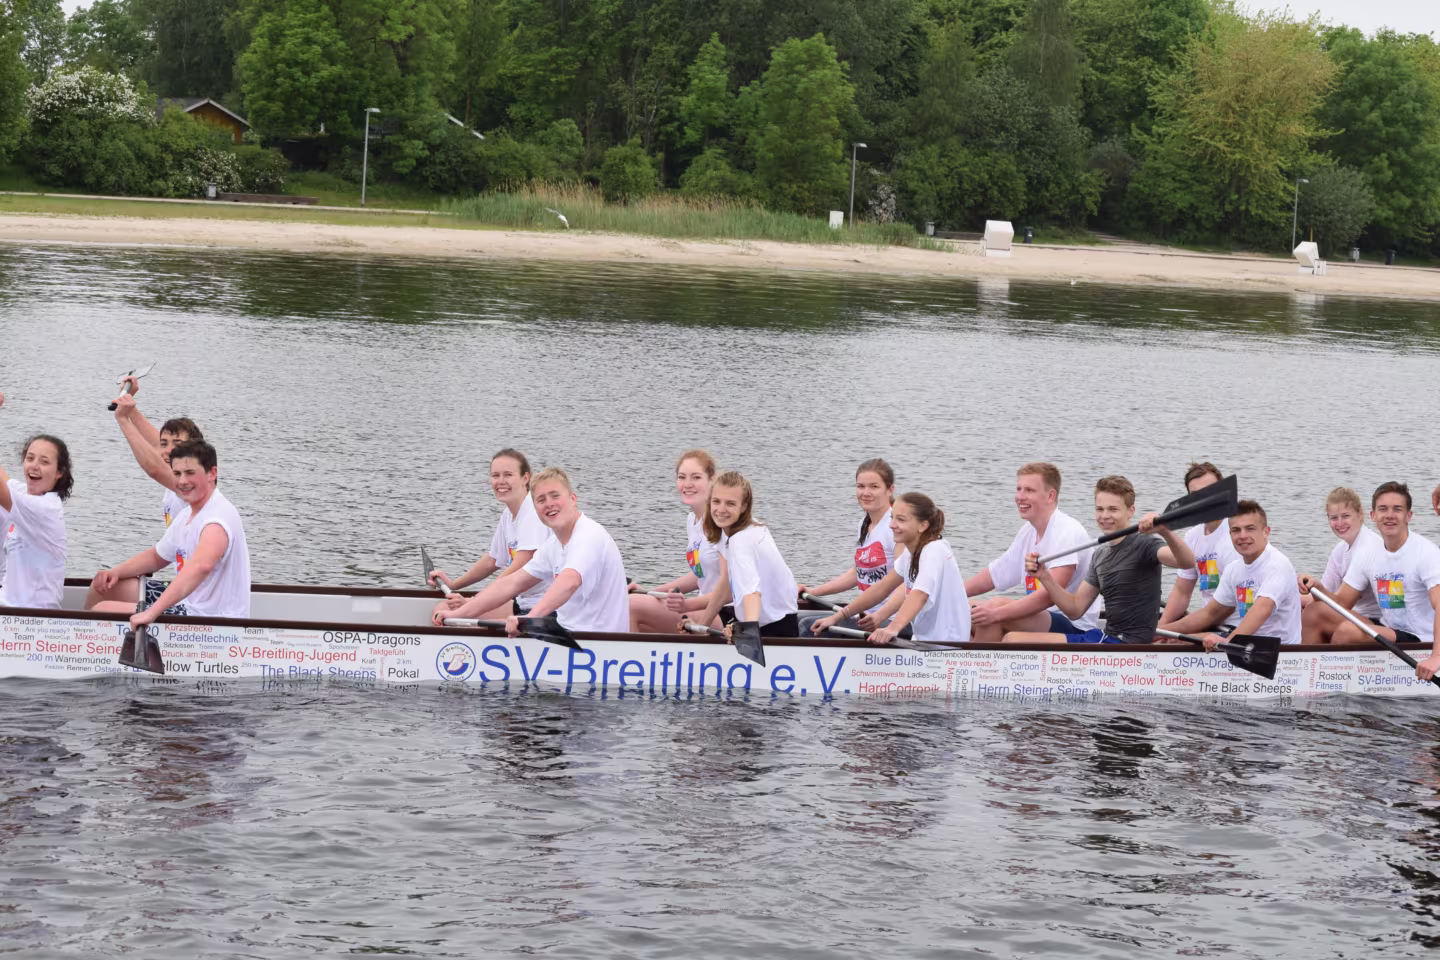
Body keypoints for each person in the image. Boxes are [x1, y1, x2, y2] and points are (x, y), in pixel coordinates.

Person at [434, 467, 629, 635]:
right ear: (535, 508)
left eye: (555, 496)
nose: (549, 504)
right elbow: (511, 584)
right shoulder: (553, 545)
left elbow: (569, 582)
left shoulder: (588, 535)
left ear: (572, 499)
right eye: (541, 500)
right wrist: (458, 614)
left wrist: (531, 618)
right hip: (568, 633)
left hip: (599, 645)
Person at [1003, 476, 1194, 643]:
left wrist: (1164, 531)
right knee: (1011, 635)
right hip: (1107, 638)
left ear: (1131, 511)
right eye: (1099, 509)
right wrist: (1045, 577)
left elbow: (1186, 562)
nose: (1105, 516)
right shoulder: (1100, 555)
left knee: (1013, 640)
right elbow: (1075, 609)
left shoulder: (1145, 545)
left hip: (1127, 646)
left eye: (1113, 509)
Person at [91, 440, 251, 624]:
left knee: (101, 610)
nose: (182, 481)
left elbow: (200, 567)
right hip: (188, 602)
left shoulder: (217, 519)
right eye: (177, 473)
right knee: (103, 587)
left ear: (212, 473)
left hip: (211, 618)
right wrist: (115, 572)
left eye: (190, 473)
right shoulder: (188, 514)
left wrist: (151, 613)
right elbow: (156, 557)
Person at [1302, 483, 1440, 680]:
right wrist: (1319, 588)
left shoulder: (1426, 553)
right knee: (1314, 611)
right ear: (1373, 515)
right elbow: (1341, 603)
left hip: (1420, 637)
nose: (1389, 515)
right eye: (1383, 509)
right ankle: (1309, 675)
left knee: (1348, 631)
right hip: (1389, 628)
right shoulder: (1368, 553)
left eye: (1397, 509)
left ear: (1409, 516)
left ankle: (1334, 679)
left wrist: (1436, 656)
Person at [88, 387, 206, 607]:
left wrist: (123, 420)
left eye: (178, 446)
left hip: (195, 604)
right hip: (181, 591)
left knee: (103, 609)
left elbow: (154, 469)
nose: (169, 451)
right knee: (101, 588)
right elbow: (158, 447)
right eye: (164, 445)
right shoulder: (175, 472)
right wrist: (131, 409)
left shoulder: (191, 488)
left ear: (195, 454)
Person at [809, 493, 971, 644]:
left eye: (901, 519)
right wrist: (840, 616)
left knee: (806, 628)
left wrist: (893, 628)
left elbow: (920, 594)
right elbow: (882, 588)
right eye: (892, 518)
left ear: (923, 525)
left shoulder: (934, 550)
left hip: (946, 646)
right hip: (925, 641)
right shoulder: (912, 553)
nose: (892, 525)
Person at [966, 462, 1100, 642]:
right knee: (963, 607)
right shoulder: (1027, 532)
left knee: (995, 608)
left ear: (1050, 496)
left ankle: (973, 665)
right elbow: (994, 574)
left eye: (1029, 490)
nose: (1020, 497)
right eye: (1019, 489)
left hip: (1074, 626)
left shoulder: (1067, 532)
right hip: (1042, 618)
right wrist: (948, 593)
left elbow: (1048, 598)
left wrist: (996, 613)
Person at [429, 449, 551, 625]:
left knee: (452, 615)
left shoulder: (532, 513)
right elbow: (492, 561)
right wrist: (455, 584)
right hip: (523, 602)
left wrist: (476, 601)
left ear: (525, 478)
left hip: (545, 608)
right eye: (495, 475)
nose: (501, 482)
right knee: (444, 608)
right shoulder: (508, 515)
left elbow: (520, 566)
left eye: (508, 475)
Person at [1163, 500, 1302, 648]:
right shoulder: (1234, 568)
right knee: (1171, 640)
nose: (1242, 536)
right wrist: (1160, 631)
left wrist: (1229, 641)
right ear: (1230, 534)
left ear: (1266, 532)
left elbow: (1262, 608)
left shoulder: (1277, 564)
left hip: (1277, 649)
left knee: (1180, 643)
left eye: (1250, 529)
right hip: (1245, 642)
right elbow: (1209, 614)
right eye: (1236, 530)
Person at [687, 471, 800, 639]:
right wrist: (702, 626)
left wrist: (748, 634)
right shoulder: (743, 528)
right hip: (771, 621)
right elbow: (725, 586)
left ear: (744, 506)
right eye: (716, 502)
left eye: (730, 504)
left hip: (776, 630)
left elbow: (752, 593)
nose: (721, 510)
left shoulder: (740, 540)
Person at [797, 458, 905, 635]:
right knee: (795, 619)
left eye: (874, 487)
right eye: (861, 486)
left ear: (890, 490)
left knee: (808, 627)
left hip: (893, 620)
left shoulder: (896, 526)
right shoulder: (865, 523)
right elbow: (858, 572)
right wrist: (814, 591)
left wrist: (880, 616)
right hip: (868, 613)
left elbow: (907, 581)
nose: (866, 493)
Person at [626, 450, 725, 633]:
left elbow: (732, 585)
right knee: (637, 613)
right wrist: (652, 592)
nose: (687, 484)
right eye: (682, 477)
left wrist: (686, 605)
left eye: (696, 477)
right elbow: (700, 575)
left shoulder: (722, 521)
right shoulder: (693, 521)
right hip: (702, 606)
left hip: (724, 612)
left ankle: (628, 658)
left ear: (712, 480)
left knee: (630, 606)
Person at [0, 393, 72, 610]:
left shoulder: (45, 508)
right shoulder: (24, 495)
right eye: (30, 458)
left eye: (44, 462)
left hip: (32, 620)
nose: (34, 466)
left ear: (59, 472)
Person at [1159, 462, 1241, 633]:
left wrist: (1169, 631)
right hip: (1210, 622)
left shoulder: (1237, 536)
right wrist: (1162, 628)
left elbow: (1226, 607)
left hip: (1239, 627)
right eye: (1196, 495)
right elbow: (1182, 592)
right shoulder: (1193, 536)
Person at [1297, 487, 1383, 643]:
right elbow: (1325, 595)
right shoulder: (1339, 550)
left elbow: (1341, 602)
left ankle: (1310, 662)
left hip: (1377, 621)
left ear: (1360, 513)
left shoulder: (1369, 546)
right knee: (1296, 607)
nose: (1340, 523)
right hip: (1352, 615)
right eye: (1334, 518)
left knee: (1314, 612)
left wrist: (1316, 587)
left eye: (1346, 516)